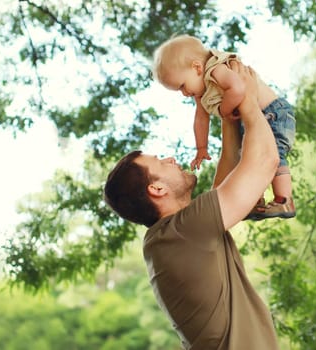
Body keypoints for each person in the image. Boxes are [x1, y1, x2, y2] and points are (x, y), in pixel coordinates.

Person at [104, 61, 280, 349]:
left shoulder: (175, 236)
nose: (171, 159)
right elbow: (264, 162)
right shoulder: (181, 233)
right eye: (161, 162)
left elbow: (226, 179)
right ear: (157, 188)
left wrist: (227, 116)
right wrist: (247, 99)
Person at [151, 34, 296, 220]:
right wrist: (201, 147)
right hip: (256, 119)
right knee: (248, 158)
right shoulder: (200, 91)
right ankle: (255, 200)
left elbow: (237, 88)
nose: (184, 93)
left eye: (182, 86)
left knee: (272, 151)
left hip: (273, 113)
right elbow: (200, 119)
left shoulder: (216, 69)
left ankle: (285, 200)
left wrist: (223, 110)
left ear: (196, 68)